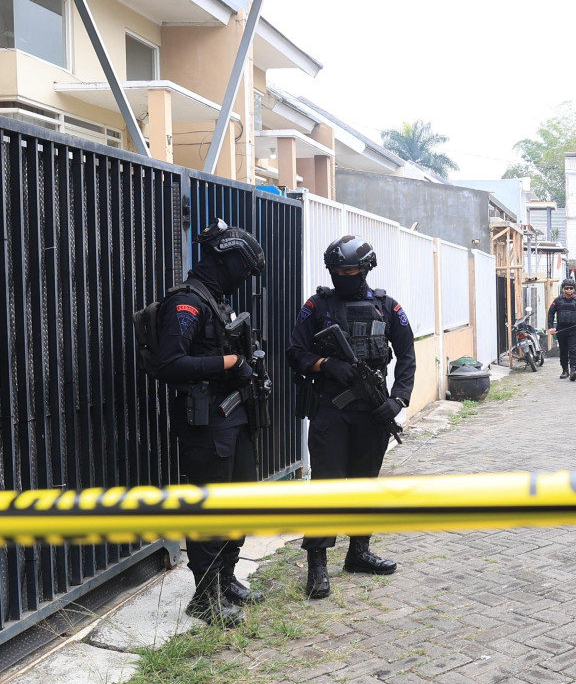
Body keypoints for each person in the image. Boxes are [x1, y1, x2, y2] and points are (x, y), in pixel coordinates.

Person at [287, 236, 417, 599]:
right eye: (337, 271)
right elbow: (295, 351)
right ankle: (317, 566)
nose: (343, 276)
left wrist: (398, 400)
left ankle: (358, 553)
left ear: (365, 269)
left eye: (350, 270)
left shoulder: (387, 306)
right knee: (326, 486)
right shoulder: (316, 306)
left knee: (365, 484)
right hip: (331, 409)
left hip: (374, 411)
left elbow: (406, 354)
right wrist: (326, 363)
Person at [154, 219, 267, 627]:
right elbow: (170, 363)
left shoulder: (216, 301)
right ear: (227, 260)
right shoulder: (186, 302)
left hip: (233, 418)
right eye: (243, 268)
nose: (244, 278)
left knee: (239, 503)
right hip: (205, 424)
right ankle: (204, 597)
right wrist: (230, 362)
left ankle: (226, 578)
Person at [547, 278, 576, 381]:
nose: (569, 290)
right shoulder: (557, 300)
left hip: (574, 329)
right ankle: (564, 370)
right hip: (561, 329)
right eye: (567, 288)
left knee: (573, 350)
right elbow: (550, 313)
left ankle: (573, 370)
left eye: (571, 288)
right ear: (563, 289)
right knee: (563, 350)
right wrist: (550, 327)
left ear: (574, 289)